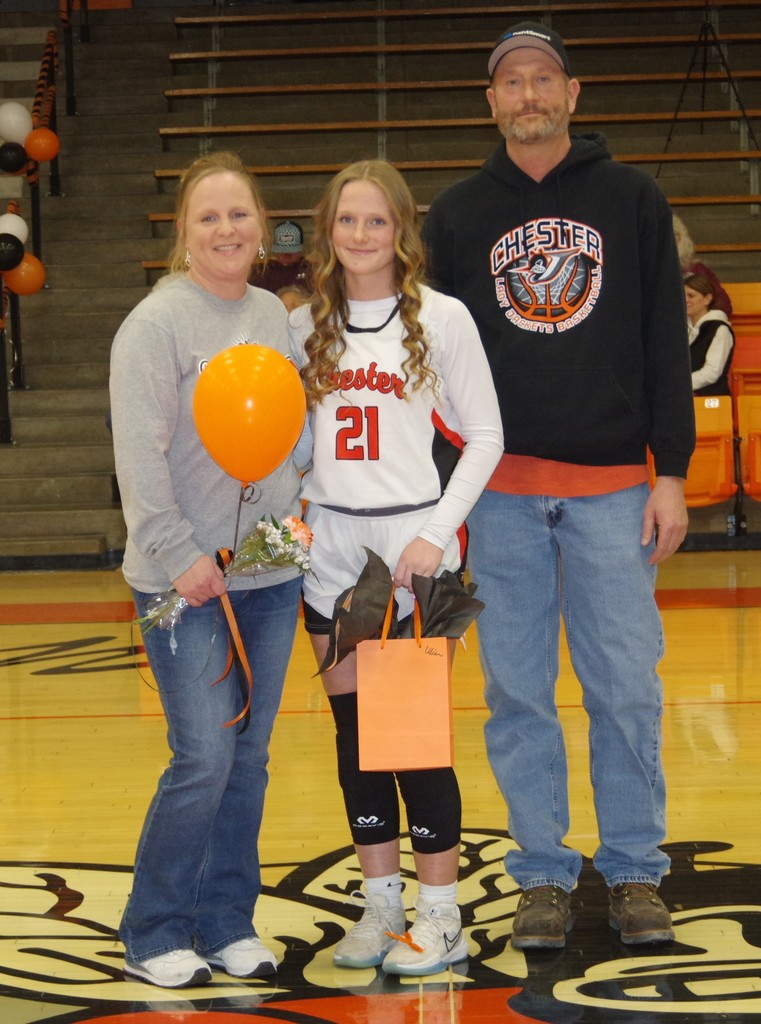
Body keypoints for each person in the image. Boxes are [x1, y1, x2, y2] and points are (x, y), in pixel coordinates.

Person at [423, 21, 695, 949]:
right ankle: (540, 871)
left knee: (623, 686)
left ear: (571, 96)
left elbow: (666, 342)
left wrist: (674, 475)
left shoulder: (631, 198)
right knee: (518, 693)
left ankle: (630, 870)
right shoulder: (456, 214)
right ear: (491, 102)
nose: (528, 95)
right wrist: (442, 502)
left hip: (616, 488)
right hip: (497, 499)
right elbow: (434, 367)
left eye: (544, 80)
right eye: (511, 83)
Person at [288, 159, 503, 975]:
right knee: (354, 741)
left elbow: (484, 436)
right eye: (346, 221)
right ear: (327, 230)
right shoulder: (303, 322)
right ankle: (380, 908)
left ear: (401, 230)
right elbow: (297, 443)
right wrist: (293, 515)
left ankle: (441, 916)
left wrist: (437, 532)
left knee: (410, 743)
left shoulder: (442, 319)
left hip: (412, 557)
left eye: (376, 221)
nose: (360, 235)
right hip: (332, 556)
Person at [110, 151, 303, 989]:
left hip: (269, 575)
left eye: (239, 215)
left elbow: (285, 431)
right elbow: (138, 461)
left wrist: (296, 527)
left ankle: (227, 921)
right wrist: (181, 555)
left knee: (250, 756)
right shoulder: (154, 325)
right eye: (208, 217)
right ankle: (155, 927)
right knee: (203, 756)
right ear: (182, 234)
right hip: (182, 579)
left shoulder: (270, 312)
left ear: (261, 226)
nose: (226, 230)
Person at [673, 213, 733, 317]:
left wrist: (700, 320)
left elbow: (723, 304)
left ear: (680, 239)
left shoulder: (697, 270)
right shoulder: (647, 272)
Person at [685, 273, 735, 395]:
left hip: (712, 398)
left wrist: (679, 384)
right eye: (682, 295)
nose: (685, 300)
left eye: (691, 295)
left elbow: (712, 372)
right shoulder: (679, 327)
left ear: (707, 299)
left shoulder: (720, 329)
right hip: (682, 397)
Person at [250, 218, 311, 293]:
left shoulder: (311, 271)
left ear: (300, 249)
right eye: (282, 250)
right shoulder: (261, 272)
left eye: (292, 250)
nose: (287, 255)